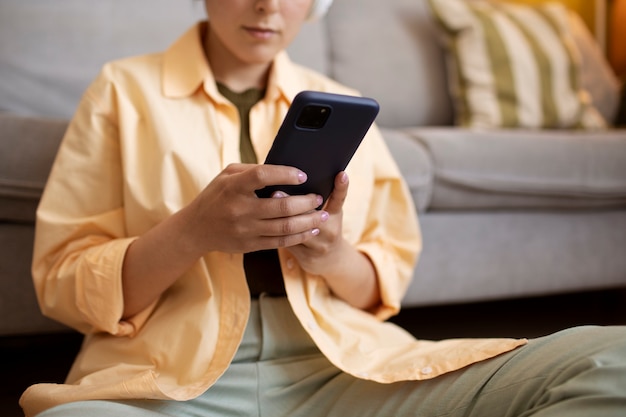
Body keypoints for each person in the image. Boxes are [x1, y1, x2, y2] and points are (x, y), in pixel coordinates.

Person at [22, 0, 626, 416]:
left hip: (338, 371)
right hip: (168, 383)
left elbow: (378, 286)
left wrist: (331, 252)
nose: (268, 5)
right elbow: (66, 284)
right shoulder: (122, 91)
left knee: (611, 360)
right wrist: (193, 231)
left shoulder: (345, 110)